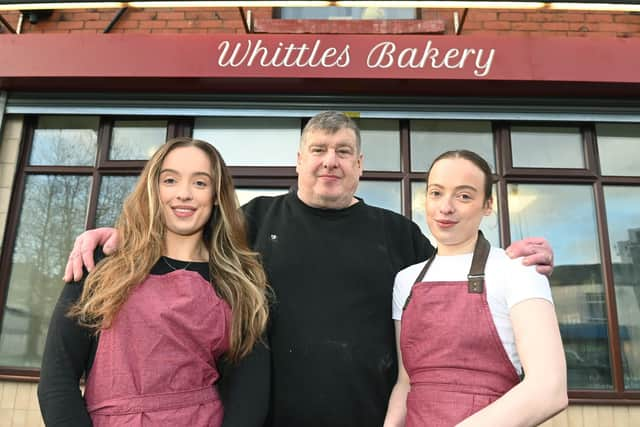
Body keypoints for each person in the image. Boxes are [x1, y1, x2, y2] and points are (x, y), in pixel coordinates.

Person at [62, 112, 554, 427]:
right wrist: (115, 235)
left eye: (342, 151)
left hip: (368, 418)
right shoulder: (253, 220)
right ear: (298, 160)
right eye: (318, 149)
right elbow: (179, 236)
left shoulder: (397, 233)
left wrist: (512, 264)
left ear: (360, 164)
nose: (329, 161)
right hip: (263, 418)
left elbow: (453, 270)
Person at [38, 137, 270, 426]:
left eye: (200, 183)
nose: (184, 194)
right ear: (153, 188)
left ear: (215, 195)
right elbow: (57, 380)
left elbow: (249, 394)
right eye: (170, 180)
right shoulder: (103, 263)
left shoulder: (236, 281)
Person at [384, 150, 567, 427]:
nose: (446, 207)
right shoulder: (406, 281)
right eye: (436, 193)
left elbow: (549, 390)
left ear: (488, 205)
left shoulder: (519, 269)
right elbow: (405, 383)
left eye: (464, 196)